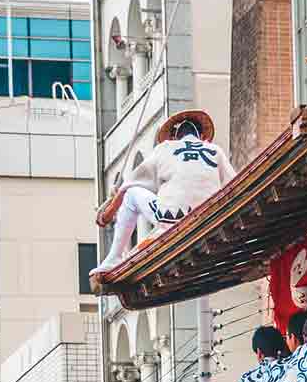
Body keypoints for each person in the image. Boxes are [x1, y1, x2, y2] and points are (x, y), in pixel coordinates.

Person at [93, 109, 234, 275]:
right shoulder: (215, 150)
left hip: (173, 219)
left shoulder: (164, 148)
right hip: (210, 218)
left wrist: (107, 215)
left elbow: (128, 186)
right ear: (202, 136)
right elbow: (232, 185)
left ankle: (114, 258)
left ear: (175, 137)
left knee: (132, 194)